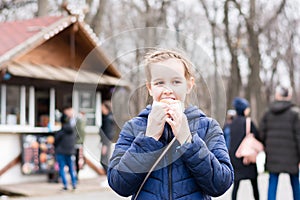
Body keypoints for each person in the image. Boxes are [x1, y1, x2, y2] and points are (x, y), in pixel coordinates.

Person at [107, 49, 234, 199]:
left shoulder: (208, 127)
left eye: (176, 82)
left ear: (189, 85)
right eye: (160, 82)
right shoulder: (133, 128)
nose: (168, 90)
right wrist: (149, 138)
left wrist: (188, 141)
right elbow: (118, 184)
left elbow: (221, 184)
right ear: (150, 88)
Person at [259, 85, 300, 200]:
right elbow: (299, 136)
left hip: (273, 154)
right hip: (292, 156)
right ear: (289, 95)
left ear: (277, 95)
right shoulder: (295, 113)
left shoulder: (268, 113)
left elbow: (261, 133)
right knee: (295, 182)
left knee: (273, 182)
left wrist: (267, 146)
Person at [229, 97, 260, 200]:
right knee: (254, 184)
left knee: (236, 185)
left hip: (235, 157)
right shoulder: (248, 122)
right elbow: (257, 136)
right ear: (243, 109)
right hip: (247, 158)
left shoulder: (231, 124)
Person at [54, 106, 77, 191]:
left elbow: (55, 141)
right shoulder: (73, 131)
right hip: (70, 152)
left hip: (61, 152)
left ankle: (65, 185)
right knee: (71, 169)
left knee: (62, 169)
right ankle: (74, 183)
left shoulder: (61, 132)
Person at [99, 101, 115, 174]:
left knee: (104, 160)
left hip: (106, 142)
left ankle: (108, 176)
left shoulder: (108, 119)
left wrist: (105, 145)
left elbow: (108, 133)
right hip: (105, 142)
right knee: (104, 160)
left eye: (102, 107)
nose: (101, 109)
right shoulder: (107, 117)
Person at [74, 111, 86, 180]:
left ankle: (76, 175)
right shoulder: (82, 121)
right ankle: (76, 175)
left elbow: (80, 131)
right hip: (80, 143)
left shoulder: (79, 121)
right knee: (78, 159)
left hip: (77, 143)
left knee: (77, 159)